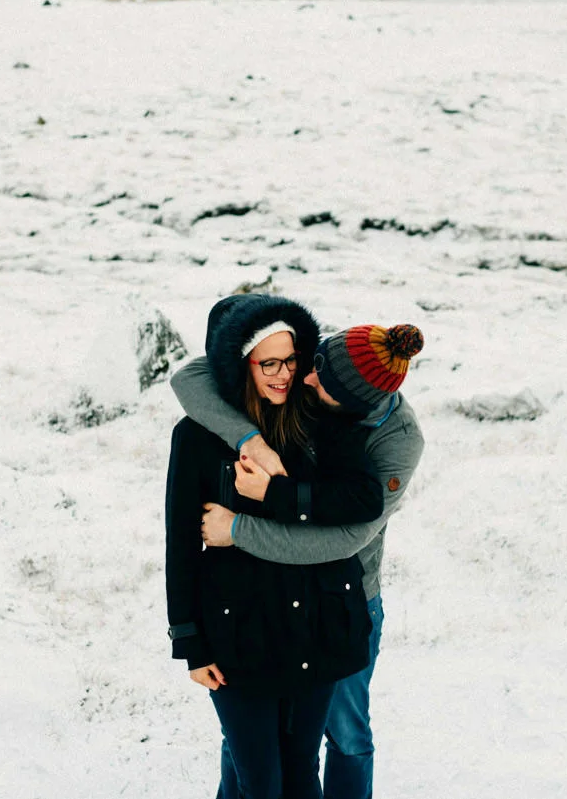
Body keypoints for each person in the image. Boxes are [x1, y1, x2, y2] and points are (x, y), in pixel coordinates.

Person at [172, 318, 426, 799]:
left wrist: (247, 521)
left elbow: (345, 537)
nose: (304, 378)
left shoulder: (396, 440)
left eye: (318, 379)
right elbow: (191, 378)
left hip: (347, 598)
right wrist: (251, 440)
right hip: (271, 607)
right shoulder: (326, 365)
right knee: (253, 747)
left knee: (344, 735)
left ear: (349, 405)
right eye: (311, 366)